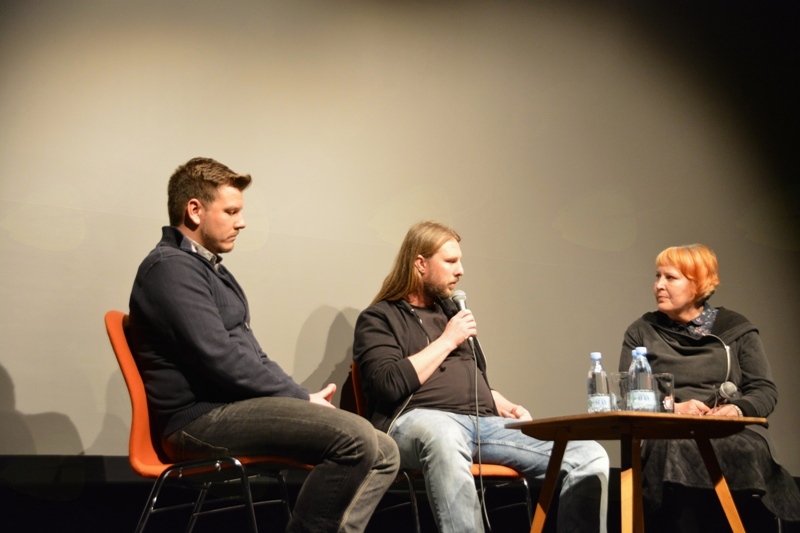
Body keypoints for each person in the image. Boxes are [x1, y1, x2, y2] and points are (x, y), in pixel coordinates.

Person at [127, 157, 400, 533]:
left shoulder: (209, 269)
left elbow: (253, 356)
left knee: (385, 451)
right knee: (354, 438)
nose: (241, 222)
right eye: (231, 211)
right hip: (198, 422)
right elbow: (220, 358)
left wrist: (301, 396)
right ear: (194, 210)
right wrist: (299, 399)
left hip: (229, 409)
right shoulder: (169, 268)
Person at [353, 221, 609, 533]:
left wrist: (501, 402)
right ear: (420, 263)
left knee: (589, 454)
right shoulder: (380, 317)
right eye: (450, 261)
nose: (460, 271)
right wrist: (448, 340)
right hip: (412, 425)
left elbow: (465, 379)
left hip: (480, 424)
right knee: (443, 434)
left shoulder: (450, 314)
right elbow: (386, 384)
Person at [619, 243, 800, 532]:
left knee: (738, 451)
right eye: (657, 276)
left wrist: (736, 409)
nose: (659, 285)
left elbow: (764, 390)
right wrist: (674, 407)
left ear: (697, 284)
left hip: (725, 431)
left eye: (670, 277)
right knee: (671, 448)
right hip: (667, 432)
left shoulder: (735, 329)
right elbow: (629, 393)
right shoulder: (642, 330)